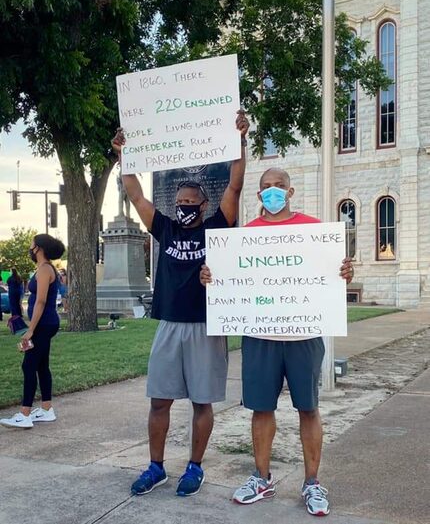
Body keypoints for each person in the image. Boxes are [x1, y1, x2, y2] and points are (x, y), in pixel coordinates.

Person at [200, 168, 354, 516]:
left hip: (304, 334)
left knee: (309, 408)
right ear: (258, 195)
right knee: (261, 407)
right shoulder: (243, 237)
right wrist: (211, 276)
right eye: (266, 187)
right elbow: (225, 278)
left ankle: (312, 482)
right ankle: (262, 478)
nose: (272, 192)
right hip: (259, 335)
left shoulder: (315, 230)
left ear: (291, 191)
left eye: (279, 187)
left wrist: (345, 272)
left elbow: (335, 273)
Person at [111, 110, 249, 498]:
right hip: (169, 325)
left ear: (203, 206)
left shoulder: (216, 226)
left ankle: (194, 467)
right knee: (160, 401)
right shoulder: (165, 227)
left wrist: (239, 142)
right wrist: (124, 156)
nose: (185, 204)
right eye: (180, 200)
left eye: (192, 201)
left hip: (207, 325)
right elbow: (135, 194)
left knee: (202, 403)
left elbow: (235, 189)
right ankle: (155, 467)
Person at [0, 234, 65, 429]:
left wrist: (31, 329)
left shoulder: (45, 269)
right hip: (46, 323)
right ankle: (46, 410)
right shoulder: (43, 269)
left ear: (39, 248)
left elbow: (41, 301)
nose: (30, 248)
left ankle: (25, 414)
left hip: (44, 324)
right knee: (41, 365)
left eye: (32, 245)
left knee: (29, 366)